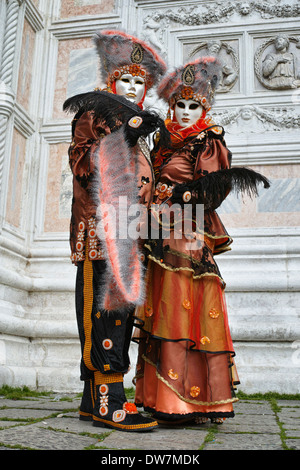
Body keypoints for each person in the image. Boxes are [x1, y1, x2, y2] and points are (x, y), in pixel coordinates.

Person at [132, 57, 270, 425]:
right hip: (159, 232)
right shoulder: (163, 139)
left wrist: (179, 195)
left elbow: (214, 189)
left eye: (195, 106)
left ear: (204, 108)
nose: (188, 111)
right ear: (173, 107)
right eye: (181, 105)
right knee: (162, 306)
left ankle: (184, 401)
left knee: (182, 305)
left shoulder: (209, 140)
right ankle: (159, 396)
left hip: (186, 232)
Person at [64, 29, 167, 431]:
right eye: (124, 79)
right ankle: (109, 400)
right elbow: (83, 163)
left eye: (139, 82)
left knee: (120, 314)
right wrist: (127, 133)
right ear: (111, 80)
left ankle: (94, 401)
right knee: (105, 314)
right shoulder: (95, 112)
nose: (131, 86)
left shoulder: (139, 126)